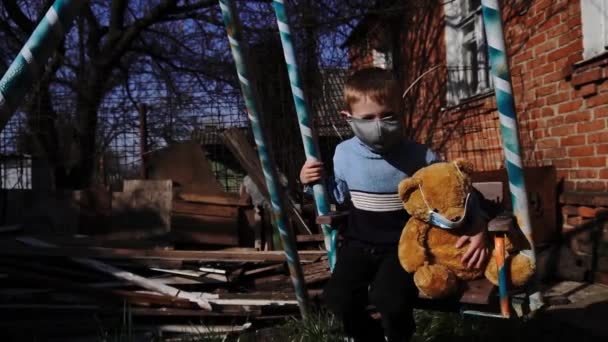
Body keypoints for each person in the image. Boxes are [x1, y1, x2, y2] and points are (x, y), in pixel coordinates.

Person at [299, 67, 489, 342]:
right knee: (336, 299)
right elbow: (338, 195)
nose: (379, 125)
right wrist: (309, 181)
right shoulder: (343, 154)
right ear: (348, 119)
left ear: (401, 113)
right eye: (368, 118)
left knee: (389, 299)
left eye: (388, 116)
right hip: (357, 243)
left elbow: (457, 190)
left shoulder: (419, 155)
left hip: (401, 247)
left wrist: (478, 225)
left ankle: (400, 337)